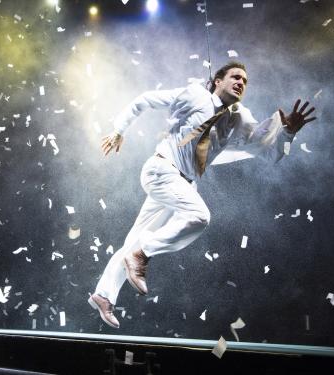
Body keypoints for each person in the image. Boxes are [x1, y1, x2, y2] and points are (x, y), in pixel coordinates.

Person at [87, 61, 317, 329]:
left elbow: (264, 146)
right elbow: (145, 100)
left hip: (182, 183)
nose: (241, 82)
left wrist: (286, 132)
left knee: (136, 238)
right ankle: (142, 254)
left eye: (245, 80)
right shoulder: (195, 95)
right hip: (162, 169)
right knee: (199, 216)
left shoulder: (239, 118)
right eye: (235, 76)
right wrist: (118, 130)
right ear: (217, 80)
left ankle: (103, 295)